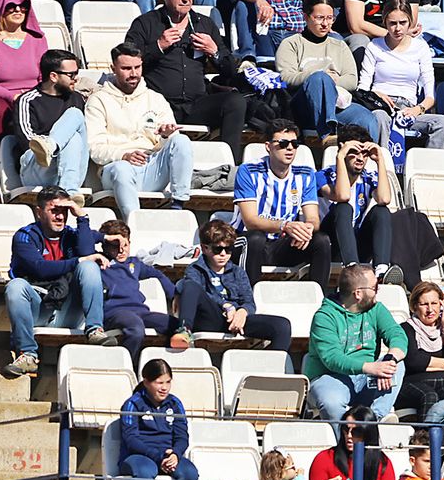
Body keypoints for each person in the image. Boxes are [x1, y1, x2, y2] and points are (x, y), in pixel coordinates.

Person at [126, 0, 247, 161]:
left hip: (195, 105)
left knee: (235, 102)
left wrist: (214, 51)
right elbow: (128, 64)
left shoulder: (204, 24)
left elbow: (230, 71)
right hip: (158, 106)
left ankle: (227, 165)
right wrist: (158, 45)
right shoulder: (145, 23)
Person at [3, 188, 118, 378]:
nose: (60, 216)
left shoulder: (71, 234)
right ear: (39, 212)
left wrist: (80, 215)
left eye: (64, 211)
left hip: (68, 309)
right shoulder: (25, 236)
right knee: (15, 287)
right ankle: (28, 355)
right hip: (39, 307)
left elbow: (86, 250)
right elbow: (39, 268)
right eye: (54, 210)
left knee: (89, 267)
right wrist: (77, 261)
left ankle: (95, 329)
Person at [85, 42, 194, 218]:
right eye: (126, 68)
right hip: (116, 168)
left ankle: (178, 206)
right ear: (113, 68)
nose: (134, 74)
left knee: (181, 141)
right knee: (122, 169)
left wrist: (166, 136)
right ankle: (134, 224)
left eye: (137, 67)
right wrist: (123, 155)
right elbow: (94, 147)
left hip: (152, 165)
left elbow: (172, 143)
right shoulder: (98, 100)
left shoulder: (155, 98)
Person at [304, 262, 407, 427]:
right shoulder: (324, 317)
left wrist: (390, 360)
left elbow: (397, 335)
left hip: (366, 377)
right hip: (330, 376)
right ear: (358, 294)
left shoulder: (376, 309)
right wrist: (370, 368)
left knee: (397, 365)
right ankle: (344, 442)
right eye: (375, 288)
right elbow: (332, 358)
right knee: (331, 401)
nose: (377, 292)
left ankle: (373, 421)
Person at [234, 118, 333, 288]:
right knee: (256, 239)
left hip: (282, 244)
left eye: (294, 144)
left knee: (321, 240)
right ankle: (248, 303)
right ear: (268, 146)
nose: (289, 148)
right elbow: (250, 221)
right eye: (283, 143)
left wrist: (306, 230)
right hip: (246, 242)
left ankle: (319, 303)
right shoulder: (248, 170)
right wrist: (285, 226)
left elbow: (313, 219)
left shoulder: (305, 174)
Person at [172, 218, 291, 350]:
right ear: (205, 248)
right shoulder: (195, 269)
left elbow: (249, 301)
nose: (223, 254)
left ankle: (271, 367)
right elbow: (199, 295)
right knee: (190, 286)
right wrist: (226, 306)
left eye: (228, 249)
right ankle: (184, 330)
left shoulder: (237, 271)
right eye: (218, 249)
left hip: (236, 319)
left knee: (281, 326)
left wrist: (242, 311)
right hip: (211, 317)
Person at [118, 359, 199, 480]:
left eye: (168, 382)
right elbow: (131, 439)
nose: (164, 388)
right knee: (144, 473)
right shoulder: (132, 404)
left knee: (189, 474)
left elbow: (182, 435)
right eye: (159, 383)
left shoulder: (175, 403)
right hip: (139, 455)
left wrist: (176, 454)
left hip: (168, 456)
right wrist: (158, 456)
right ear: (146, 382)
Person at [276, 0, 376, 141]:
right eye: (319, 18)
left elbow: (351, 80)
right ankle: (327, 134)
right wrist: (319, 76)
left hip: (337, 105)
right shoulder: (291, 43)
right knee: (319, 78)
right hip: (303, 106)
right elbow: (286, 77)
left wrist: (331, 81)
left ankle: (371, 158)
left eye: (330, 18)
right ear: (306, 17)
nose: (325, 23)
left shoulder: (339, 45)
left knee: (366, 118)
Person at [357, 0, 444, 150]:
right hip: (382, 106)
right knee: (380, 118)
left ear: (410, 22)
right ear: (384, 22)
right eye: (392, 23)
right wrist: (376, 94)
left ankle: (425, 167)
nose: (398, 28)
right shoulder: (374, 46)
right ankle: (384, 165)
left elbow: (430, 95)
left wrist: (418, 109)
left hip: (409, 108)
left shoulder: (421, 47)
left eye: (403, 23)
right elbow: (363, 87)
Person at [3, 48, 90, 195]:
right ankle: (69, 192)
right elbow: (28, 143)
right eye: (71, 74)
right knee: (70, 135)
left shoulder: (77, 98)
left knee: (74, 128)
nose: (76, 78)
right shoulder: (27, 100)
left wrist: (56, 145)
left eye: (77, 73)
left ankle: (52, 148)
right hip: (37, 169)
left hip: (71, 170)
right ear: (53, 76)